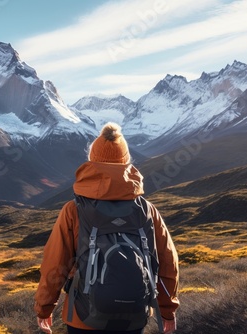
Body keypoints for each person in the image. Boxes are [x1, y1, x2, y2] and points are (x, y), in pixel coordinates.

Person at [34, 122, 179, 334]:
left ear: (92, 162)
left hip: (82, 317)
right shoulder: (146, 210)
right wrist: (167, 310)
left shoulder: (74, 210)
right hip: (134, 315)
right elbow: (167, 263)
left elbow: (55, 264)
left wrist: (44, 308)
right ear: (127, 161)